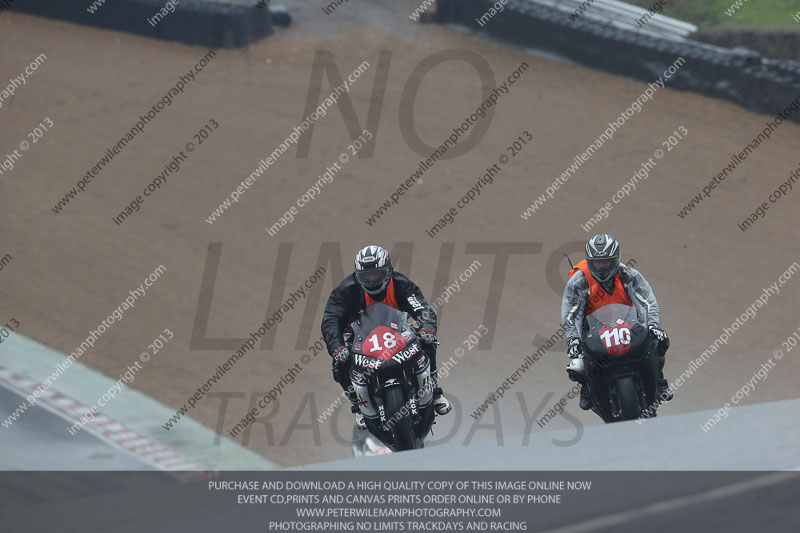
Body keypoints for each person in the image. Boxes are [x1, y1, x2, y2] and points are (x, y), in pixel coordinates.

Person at [322, 245, 452, 429]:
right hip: (360, 339)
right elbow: (331, 320)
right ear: (357, 275)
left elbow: (422, 308)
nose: (372, 280)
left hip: (398, 332)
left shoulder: (401, 284)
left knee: (427, 342)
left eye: (377, 274)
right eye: (366, 276)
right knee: (340, 364)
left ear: (389, 270)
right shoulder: (344, 291)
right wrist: (337, 348)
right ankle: (358, 405)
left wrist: (427, 328)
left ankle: (435, 392)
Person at [561, 233, 673, 410]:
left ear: (616, 259)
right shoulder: (578, 282)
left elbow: (647, 303)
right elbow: (571, 315)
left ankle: (659, 379)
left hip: (628, 325)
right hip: (591, 332)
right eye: (597, 263)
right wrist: (573, 340)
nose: (602, 267)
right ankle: (586, 387)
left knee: (660, 340)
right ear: (589, 262)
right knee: (577, 366)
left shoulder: (629, 275)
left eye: (606, 262)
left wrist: (653, 326)